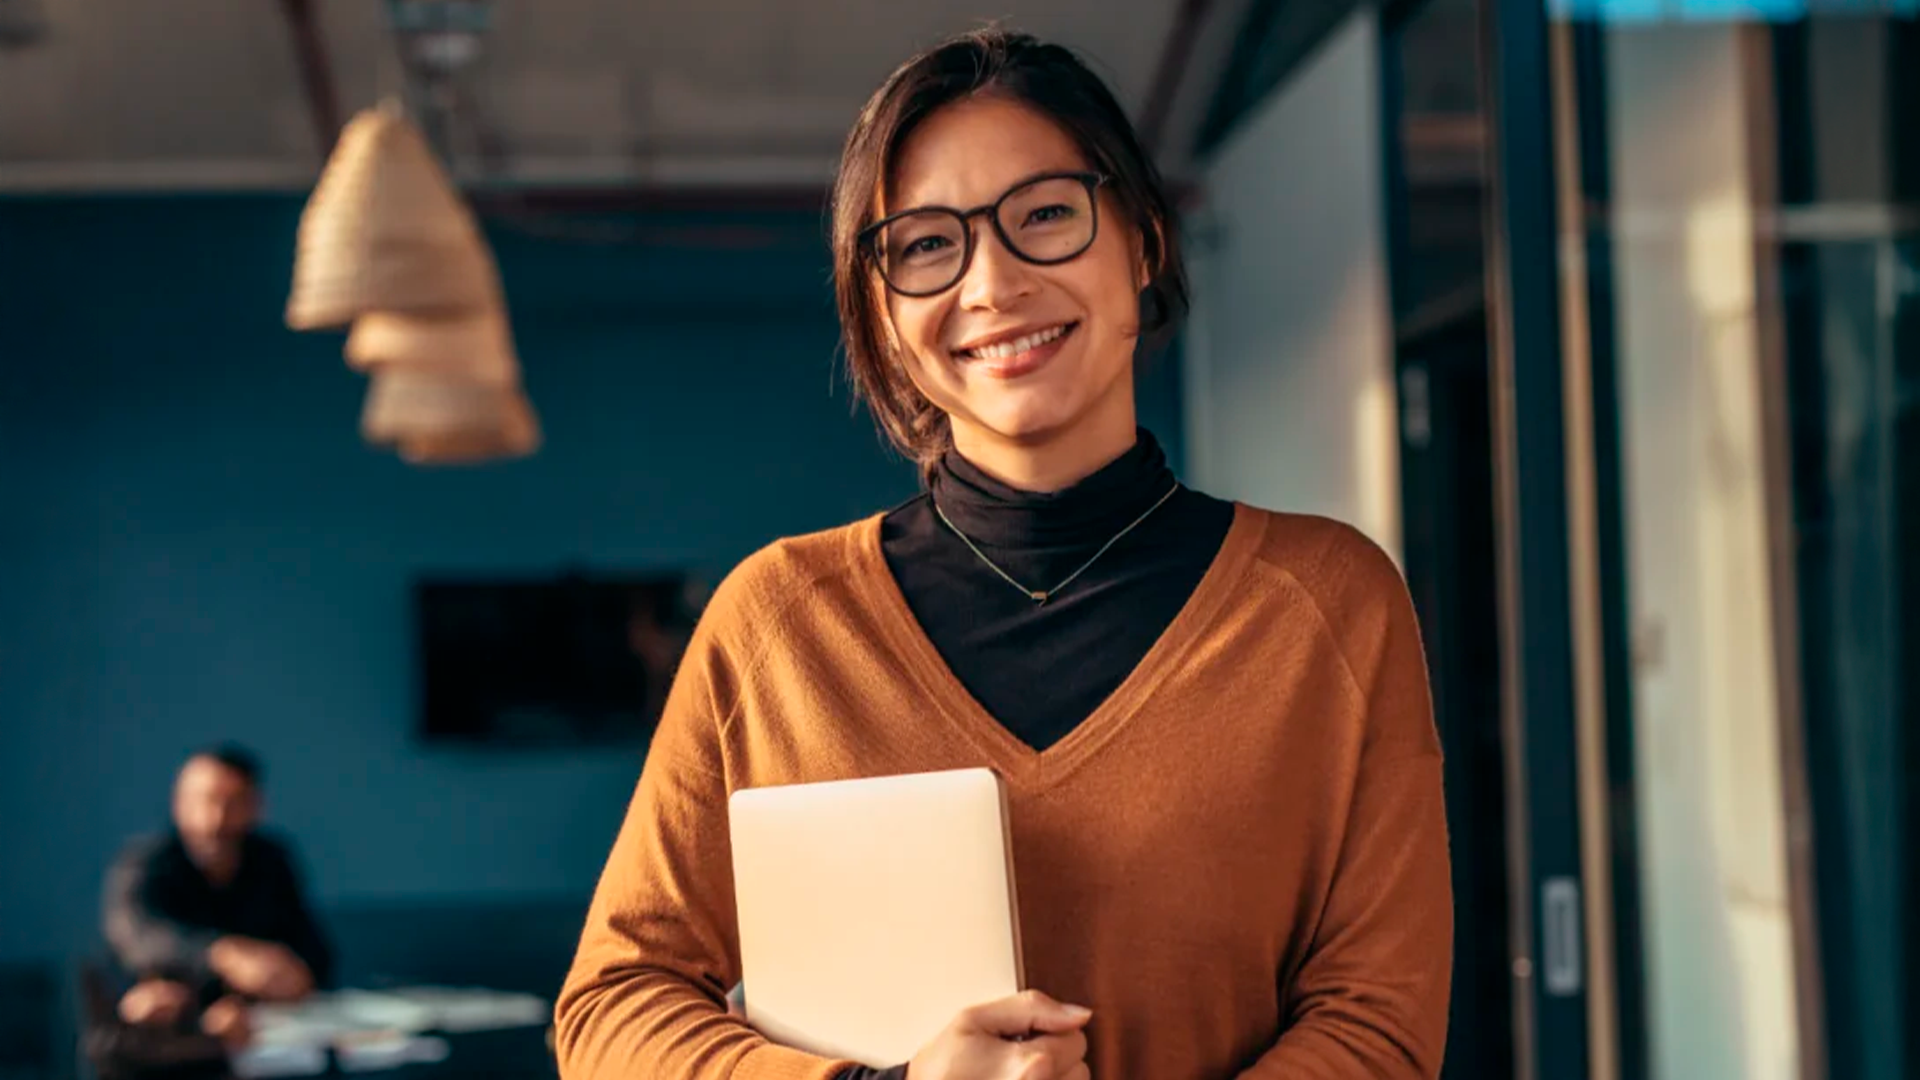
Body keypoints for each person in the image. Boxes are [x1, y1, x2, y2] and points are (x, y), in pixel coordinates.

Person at [555, 28, 1451, 1080]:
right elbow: (614, 1008)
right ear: (884, 316)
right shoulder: (777, 622)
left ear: (1144, 242)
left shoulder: (1326, 602)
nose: (992, 284)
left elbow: (1378, 1022)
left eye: (1045, 216)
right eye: (928, 245)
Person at [102, 745, 332, 1048]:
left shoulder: (271, 861)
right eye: (204, 801)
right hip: (169, 1040)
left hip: (268, 1039)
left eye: (232, 803)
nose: (216, 819)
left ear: (255, 806)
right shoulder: (144, 864)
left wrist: (298, 974)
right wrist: (222, 955)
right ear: (178, 804)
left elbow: (312, 946)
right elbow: (138, 935)